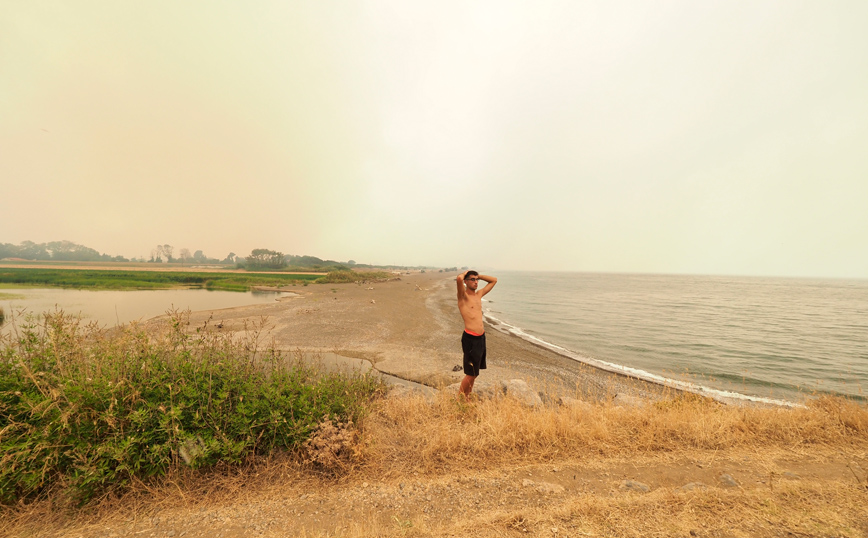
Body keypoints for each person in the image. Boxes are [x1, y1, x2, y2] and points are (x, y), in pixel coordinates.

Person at [456, 270, 497, 400]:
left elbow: (494, 280)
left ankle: (467, 396)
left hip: (481, 338)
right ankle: (458, 399)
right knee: (471, 373)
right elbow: (458, 279)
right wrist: (465, 273)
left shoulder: (478, 295)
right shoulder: (463, 297)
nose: (475, 282)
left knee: (475, 372)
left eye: (476, 280)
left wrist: (479, 276)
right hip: (470, 338)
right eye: (472, 279)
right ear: (466, 282)